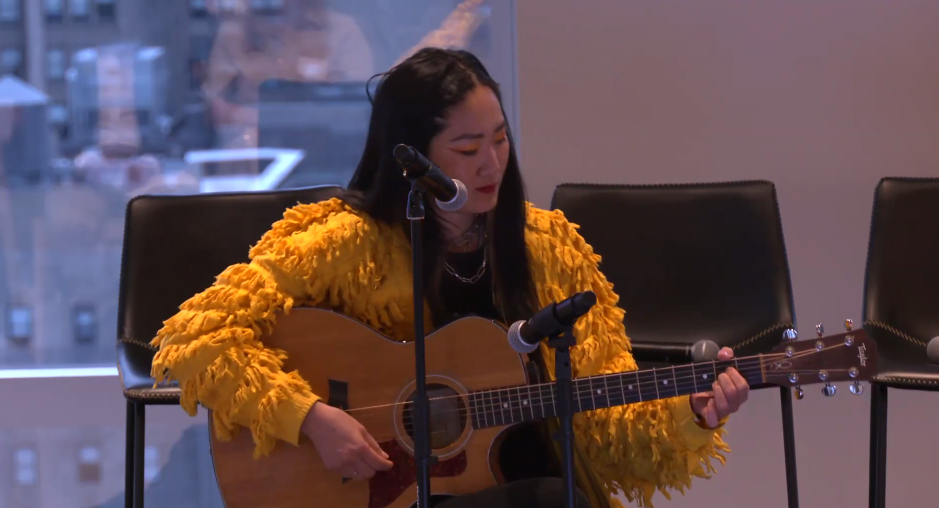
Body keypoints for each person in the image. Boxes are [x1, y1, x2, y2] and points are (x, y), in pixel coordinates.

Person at [149, 48, 750, 508]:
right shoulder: (343, 244)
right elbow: (196, 340)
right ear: (412, 156)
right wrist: (311, 417)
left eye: (500, 140)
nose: (491, 164)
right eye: (466, 149)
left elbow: (606, 424)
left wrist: (693, 415)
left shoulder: (549, 247)